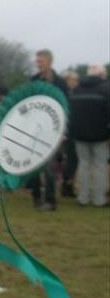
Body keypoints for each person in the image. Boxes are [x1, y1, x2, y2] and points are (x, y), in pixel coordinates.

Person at [26, 49, 68, 211]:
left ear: (49, 61)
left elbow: (66, 107)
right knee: (34, 166)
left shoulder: (60, 82)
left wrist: (65, 131)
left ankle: (50, 200)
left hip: (53, 130)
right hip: (36, 128)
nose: (38, 64)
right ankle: (36, 197)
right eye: (37, 61)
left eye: (40, 61)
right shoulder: (34, 80)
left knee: (50, 168)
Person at [69, 64, 110, 207]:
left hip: (79, 135)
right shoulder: (107, 89)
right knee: (100, 167)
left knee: (83, 165)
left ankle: (83, 198)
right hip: (100, 135)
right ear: (101, 75)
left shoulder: (77, 89)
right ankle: (99, 200)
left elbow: (72, 113)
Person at [60, 70, 80, 197]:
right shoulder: (66, 95)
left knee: (71, 160)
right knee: (70, 160)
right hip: (68, 132)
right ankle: (66, 185)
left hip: (73, 131)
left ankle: (68, 184)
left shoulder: (74, 93)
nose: (75, 83)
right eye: (72, 80)